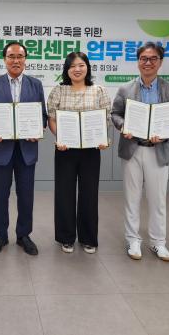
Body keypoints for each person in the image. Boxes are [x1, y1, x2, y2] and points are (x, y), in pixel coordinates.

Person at [111, 42, 169, 261]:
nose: (148, 63)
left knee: (158, 200)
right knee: (131, 198)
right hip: (132, 150)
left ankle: (158, 242)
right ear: (138, 62)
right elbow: (115, 114)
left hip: (158, 150)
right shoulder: (125, 89)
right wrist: (123, 126)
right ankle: (132, 240)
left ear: (160, 62)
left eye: (153, 59)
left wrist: (166, 134)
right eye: (144, 58)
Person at [0, 41, 47, 256]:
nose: (16, 60)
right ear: (4, 59)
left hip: (27, 150)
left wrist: (38, 130)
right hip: (0, 150)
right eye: (11, 56)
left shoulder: (36, 85)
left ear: (25, 59)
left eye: (20, 56)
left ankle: (23, 235)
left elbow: (42, 116)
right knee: (1, 196)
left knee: (26, 196)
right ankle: (0, 236)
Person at [47, 52, 111, 254]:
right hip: (65, 149)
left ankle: (88, 238)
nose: (77, 69)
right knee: (64, 193)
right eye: (73, 66)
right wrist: (60, 137)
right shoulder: (58, 90)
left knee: (89, 194)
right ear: (67, 69)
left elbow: (105, 119)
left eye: (81, 65)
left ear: (87, 68)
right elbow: (52, 119)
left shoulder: (99, 91)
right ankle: (66, 237)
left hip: (91, 151)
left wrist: (102, 139)